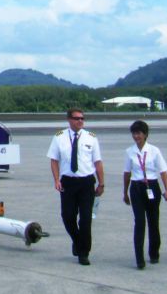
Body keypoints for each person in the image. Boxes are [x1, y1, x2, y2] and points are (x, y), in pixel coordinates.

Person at [47, 107, 104, 265]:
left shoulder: (91, 138)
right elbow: (54, 160)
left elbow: (98, 162)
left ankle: (84, 253)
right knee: (68, 216)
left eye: (82, 119)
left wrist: (101, 183)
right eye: (77, 118)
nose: (80, 121)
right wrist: (56, 179)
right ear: (69, 120)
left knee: (86, 219)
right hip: (68, 182)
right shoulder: (59, 137)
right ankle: (77, 240)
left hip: (86, 182)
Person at [122, 120, 167, 269]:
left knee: (153, 221)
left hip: (152, 186)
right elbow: (127, 173)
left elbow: (163, 171)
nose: (136, 136)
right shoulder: (129, 151)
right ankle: (139, 258)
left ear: (145, 134)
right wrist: (125, 192)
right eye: (134, 133)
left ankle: (154, 253)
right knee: (139, 222)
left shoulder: (154, 151)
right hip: (136, 187)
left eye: (139, 133)